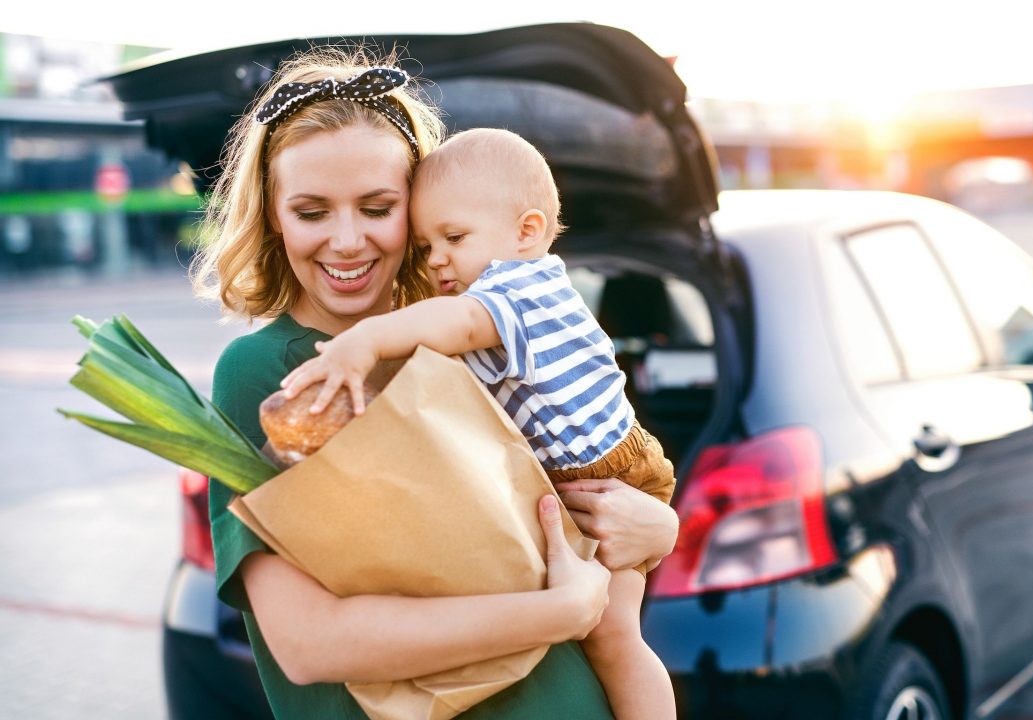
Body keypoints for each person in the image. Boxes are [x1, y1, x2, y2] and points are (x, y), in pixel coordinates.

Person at [195, 47, 678, 720]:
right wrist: (561, 610)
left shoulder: (461, 343)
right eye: (311, 211)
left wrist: (659, 526)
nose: (347, 240)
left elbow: (574, 472)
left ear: (418, 210)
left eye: (377, 207)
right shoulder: (268, 373)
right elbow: (307, 644)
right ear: (274, 217)